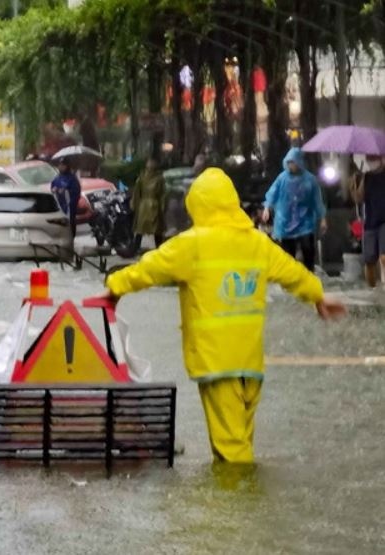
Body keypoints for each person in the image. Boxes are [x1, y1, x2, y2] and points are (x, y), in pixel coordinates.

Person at [98, 168, 346, 464]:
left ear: (198, 206)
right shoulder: (256, 242)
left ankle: (239, 505)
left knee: (233, 454)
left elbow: (149, 268)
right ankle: (242, 496)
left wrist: (114, 287)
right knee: (239, 438)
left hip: (216, 364)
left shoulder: (191, 244)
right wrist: (318, 296)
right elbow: (292, 272)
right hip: (250, 366)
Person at [261, 147, 327, 271]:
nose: (291, 166)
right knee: (287, 253)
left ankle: (308, 275)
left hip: (305, 221)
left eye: (293, 162)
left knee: (308, 249)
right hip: (285, 221)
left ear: (299, 162)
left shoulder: (310, 180)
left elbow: (317, 200)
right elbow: (272, 193)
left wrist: (322, 218)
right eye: (289, 163)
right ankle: (290, 277)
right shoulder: (282, 178)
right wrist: (267, 208)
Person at [352, 155, 385, 287]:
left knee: (384, 257)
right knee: (369, 260)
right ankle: (371, 290)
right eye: (369, 159)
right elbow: (358, 199)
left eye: (373, 158)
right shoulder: (367, 177)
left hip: (384, 221)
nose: (371, 161)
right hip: (371, 221)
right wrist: (354, 186)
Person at [132, 157, 165, 249]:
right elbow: (137, 192)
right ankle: (135, 247)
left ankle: (159, 247)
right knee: (141, 228)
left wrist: (162, 206)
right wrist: (135, 204)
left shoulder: (159, 178)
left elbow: (162, 194)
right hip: (145, 205)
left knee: (156, 229)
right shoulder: (142, 178)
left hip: (153, 204)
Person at [50, 159, 81, 238]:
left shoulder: (72, 179)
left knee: (69, 223)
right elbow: (52, 187)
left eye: (62, 165)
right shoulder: (57, 177)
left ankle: (70, 237)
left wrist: (65, 191)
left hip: (69, 207)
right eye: (59, 165)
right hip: (59, 205)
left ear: (66, 166)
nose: (60, 167)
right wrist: (54, 189)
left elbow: (76, 192)